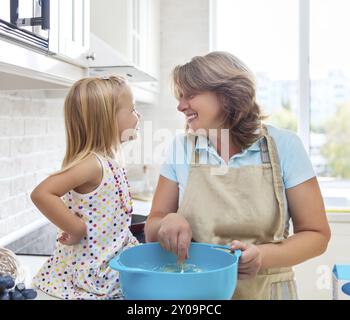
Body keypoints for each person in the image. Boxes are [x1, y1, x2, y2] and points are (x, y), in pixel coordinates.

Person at [144, 51, 331, 300]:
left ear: (226, 94)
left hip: (269, 292)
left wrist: (262, 256)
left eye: (190, 95)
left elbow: (316, 235)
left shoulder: (284, 146)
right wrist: (167, 220)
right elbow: (152, 226)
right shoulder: (181, 148)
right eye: (180, 97)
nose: (180, 106)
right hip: (197, 295)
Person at [30, 75, 140, 300]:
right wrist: (76, 228)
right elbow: (42, 193)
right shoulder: (91, 164)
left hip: (108, 270)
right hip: (88, 279)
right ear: (108, 119)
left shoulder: (108, 161)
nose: (137, 116)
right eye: (133, 109)